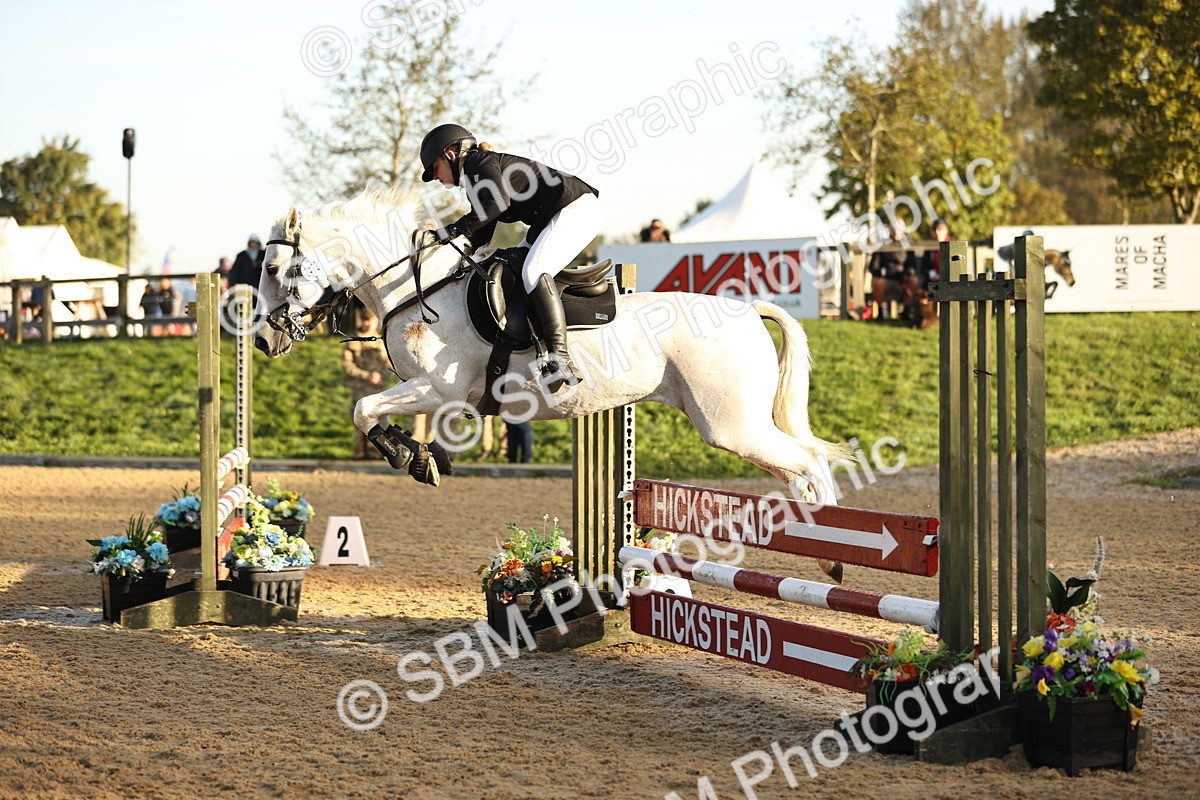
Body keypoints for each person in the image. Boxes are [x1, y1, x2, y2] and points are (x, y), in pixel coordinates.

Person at [419, 123, 601, 392]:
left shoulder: (481, 163)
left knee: (533, 273)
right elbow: (484, 230)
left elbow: (496, 205)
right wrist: (455, 256)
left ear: (450, 153)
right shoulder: (475, 176)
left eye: (434, 168)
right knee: (514, 265)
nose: (435, 177)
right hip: (550, 218)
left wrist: (453, 230)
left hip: (575, 210)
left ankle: (559, 358)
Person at [341, 309, 392, 459]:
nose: (367, 323)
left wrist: (382, 376)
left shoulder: (382, 340)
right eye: (364, 320)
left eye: (370, 320)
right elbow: (347, 366)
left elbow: (389, 363)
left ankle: (375, 452)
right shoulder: (353, 341)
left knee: (379, 420)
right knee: (359, 420)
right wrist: (367, 376)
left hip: (379, 389)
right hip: (360, 389)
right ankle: (359, 452)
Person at [867, 224, 917, 321]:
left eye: (898, 229)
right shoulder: (882, 246)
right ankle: (881, 313)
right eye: (894, 229)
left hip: (902, 280)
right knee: (877, 282)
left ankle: (906, 311)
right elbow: (873, 267)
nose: (896, 232)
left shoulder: (907, 246)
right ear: (889, 231)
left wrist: (905, 277)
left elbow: (912, 267)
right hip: (886, 280)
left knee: (913, 280)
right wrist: (882, 272)